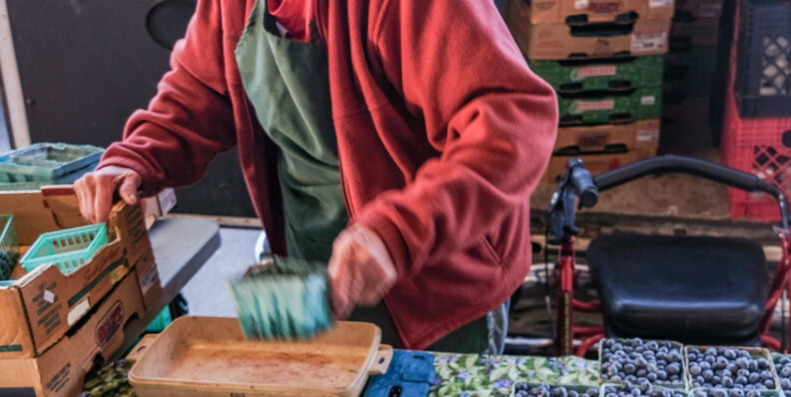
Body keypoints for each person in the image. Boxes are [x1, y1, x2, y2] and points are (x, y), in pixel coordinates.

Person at [74, 0, 558, 354]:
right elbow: (200, 88)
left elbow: (512, 121)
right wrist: (138, 157)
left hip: (436, 283)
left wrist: (400, 232)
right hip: (314, 267)